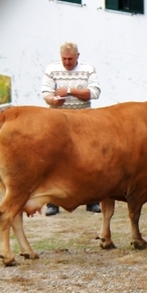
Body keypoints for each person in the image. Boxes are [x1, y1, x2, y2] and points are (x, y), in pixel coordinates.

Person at [41, 41, 102, 215]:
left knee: (89, 159)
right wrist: (53, 100)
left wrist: (69, 90)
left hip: (84, 120)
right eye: (64, 59)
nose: (67, 62)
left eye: (70, 59)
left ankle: (92, 200)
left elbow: (95, 93)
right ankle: (53, 202)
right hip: (58, 119)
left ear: (77, 57)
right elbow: (46, 93)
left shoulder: (88, 69)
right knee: (55, 160)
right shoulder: (52, 70)